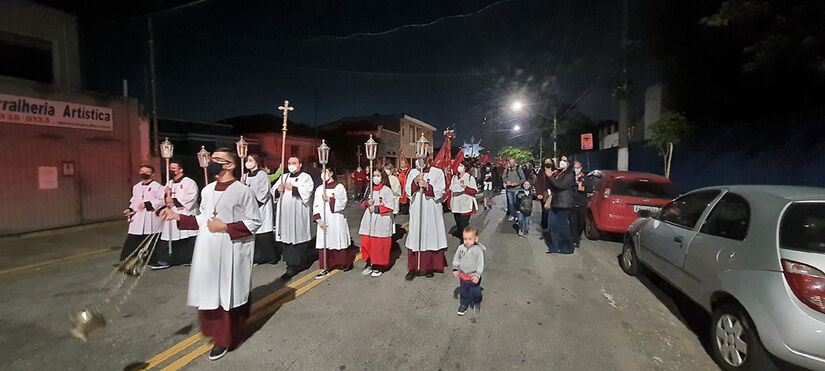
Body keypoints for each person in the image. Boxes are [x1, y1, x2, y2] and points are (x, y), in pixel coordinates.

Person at [158, 148, 261, 361]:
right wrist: (177, 216)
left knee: (227, 294)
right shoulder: (207, 189)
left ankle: (225, 339)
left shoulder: (243, 191)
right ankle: (215, 332)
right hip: (208, 249)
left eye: (217, 160)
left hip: (231, 250)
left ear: (231, 165)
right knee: (209, 293)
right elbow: (201, 218)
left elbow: (255, 221)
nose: (211, 162)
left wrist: (226, 227)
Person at [404, 157, 448, 280]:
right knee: (415, 236)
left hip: (431, 210)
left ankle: (429, 267)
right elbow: (407, 191)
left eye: (422, 157)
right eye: (418, 156)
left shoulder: (437, 172)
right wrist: (415, 182)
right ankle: (413, 268)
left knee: (430, 235)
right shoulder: (412, 172)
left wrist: (428, 186)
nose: (420, 159)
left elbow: (441, 191)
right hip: (417, 209)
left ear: (428, 158)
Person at [149, 160, 198, 269]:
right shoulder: (169, 183)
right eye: (170, 168)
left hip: (184, 212)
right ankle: (164, 260)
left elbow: (192, 197)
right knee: (168, 237)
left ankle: (188, 258)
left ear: (181, 170)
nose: (171, 171)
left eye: (174, 169)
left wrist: (175, 200)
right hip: (172, 213)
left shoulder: (189, 182)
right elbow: (163, 199)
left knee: (187, 237)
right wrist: (165, 194)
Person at [271, 157, 314, 280]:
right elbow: (273, 190)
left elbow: (307, 192)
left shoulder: (306, 177)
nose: (291, 165)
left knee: (297, 236)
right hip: (285, 213)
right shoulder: (283, 177)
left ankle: (299, 263)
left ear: (300, 164)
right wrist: (278, 190)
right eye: (289, 163)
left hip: (298, 213)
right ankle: (290, 263)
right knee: (287, 238)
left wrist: (293, 188)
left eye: (294, 163)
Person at [312, 167, 352, 278]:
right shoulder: (320, 189)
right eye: (322, 172)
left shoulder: (339, 187)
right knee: (324, 242)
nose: (323, 174)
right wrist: (319, 220)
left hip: (335, 219)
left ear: (331, 173)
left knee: (336, 239)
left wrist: (330, 200)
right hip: (323, 220)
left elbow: (343, 203)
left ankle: (342, 263)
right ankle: (326, 266)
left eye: (325, 172)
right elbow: (315, 205)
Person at [120, 165, 164, 262]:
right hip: (138, 216)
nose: (144, 173)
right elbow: (134, 200)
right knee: (133, 238)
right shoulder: (136, 187)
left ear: (152, 174)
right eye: (142, 171)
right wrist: (129, 209)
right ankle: (127, 259)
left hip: (150, 216)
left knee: (150, 239)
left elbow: (162, 200)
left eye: (147, 172)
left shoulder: (158, 187)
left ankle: (152, 259)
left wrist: (147, 204)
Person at [358, 169, 396, 277]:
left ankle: (378, 266)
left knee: (379, 245)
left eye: (378, 175)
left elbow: (390, 206)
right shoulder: (370, 189)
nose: (376, 177)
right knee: (367, 243)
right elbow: (362, 203)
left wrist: (376, 208)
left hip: (381, 220)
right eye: (374, 175)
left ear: (383, 177)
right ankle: (369, 263)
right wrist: (366, 203)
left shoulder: (387, 190)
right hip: (369, 220)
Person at [245, 154, 278, 265]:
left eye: (251, 160)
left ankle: (272, 256)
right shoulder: (244, 176)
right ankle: (259, 257)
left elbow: (264, 190)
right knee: (254, 234)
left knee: (264, 233)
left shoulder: (262, 174)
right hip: (249, 208)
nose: (248, 162)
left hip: (261, 206)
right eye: (247, 160)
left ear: (256, 162)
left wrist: (256, 202)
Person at [451, 226, 484, 316]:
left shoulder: (478, 250)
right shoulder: (461, 248)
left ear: (476, 239)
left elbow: (480, 264)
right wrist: (455, 268)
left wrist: (477, 275)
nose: (467, 241)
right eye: (465, 239)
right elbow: (456, 258)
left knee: (475, 291)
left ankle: (477, 298)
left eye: (470, 239)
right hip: (463, 275)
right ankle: (463, 304)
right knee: (464, 291)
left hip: (474, 275)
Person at [547, 156, 575, 254]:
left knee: (563, 226)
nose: (562, 162)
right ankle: (555, 247)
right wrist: (552, 176)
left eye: (564, 160)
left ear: (568, 163)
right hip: (555, 202)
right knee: (552, 225)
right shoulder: (558, 172)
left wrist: (550, 177)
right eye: (561, 160)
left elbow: (561, 185)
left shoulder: (570, 173)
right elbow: (552, 185)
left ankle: (568, 247)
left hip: (564, 203)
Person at [449, 161, 479, 238]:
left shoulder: (469, 178)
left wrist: (466, 188)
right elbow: (451, 188)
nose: (459, 166)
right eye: (459, 165)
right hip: (456, 205)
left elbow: (474, 191)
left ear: (465, 168)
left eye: (461, 165)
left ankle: (464, 242)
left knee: (463, 226)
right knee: (459, 224)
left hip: (465, 205)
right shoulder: (454, 177)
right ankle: (461, 236)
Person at [533, 158, 556, 230]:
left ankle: (553, 226)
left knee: (554, 210)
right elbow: (538, 183)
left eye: (549, 161)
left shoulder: (556, 172)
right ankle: (544, 225)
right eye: (546, 162)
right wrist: (539, 193)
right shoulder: (541, 172)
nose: (548, 163)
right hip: (544, 193)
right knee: (545, 210)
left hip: (554, 194)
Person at [569, 161, 587, 248]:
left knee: (581, 223)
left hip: (582, 204)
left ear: (581, 168)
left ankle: (577, 236)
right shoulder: (570, 177)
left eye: (578, 168)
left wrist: (583, 188)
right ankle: (574, 240)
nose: (576, 169)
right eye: (575, 168)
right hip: (572, 204)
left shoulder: (585, 177)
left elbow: (590, 187)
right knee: (573, 223)